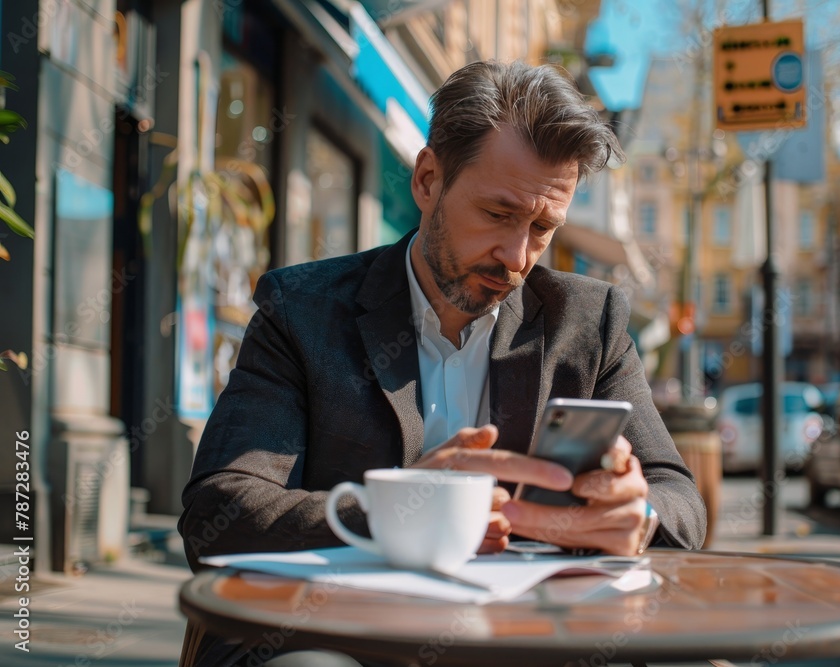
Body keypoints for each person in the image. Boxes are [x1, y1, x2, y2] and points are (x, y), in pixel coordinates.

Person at [179, 59, 707, 667]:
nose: (516, 255)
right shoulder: (301, 312)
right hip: (333, 637)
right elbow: (219, 508)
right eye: (499, 214)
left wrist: (633, 516)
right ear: (428, 179)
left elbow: (681, 501)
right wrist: (396, 508)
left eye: (542, 228)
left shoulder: (589, 323)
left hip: (522, 644)